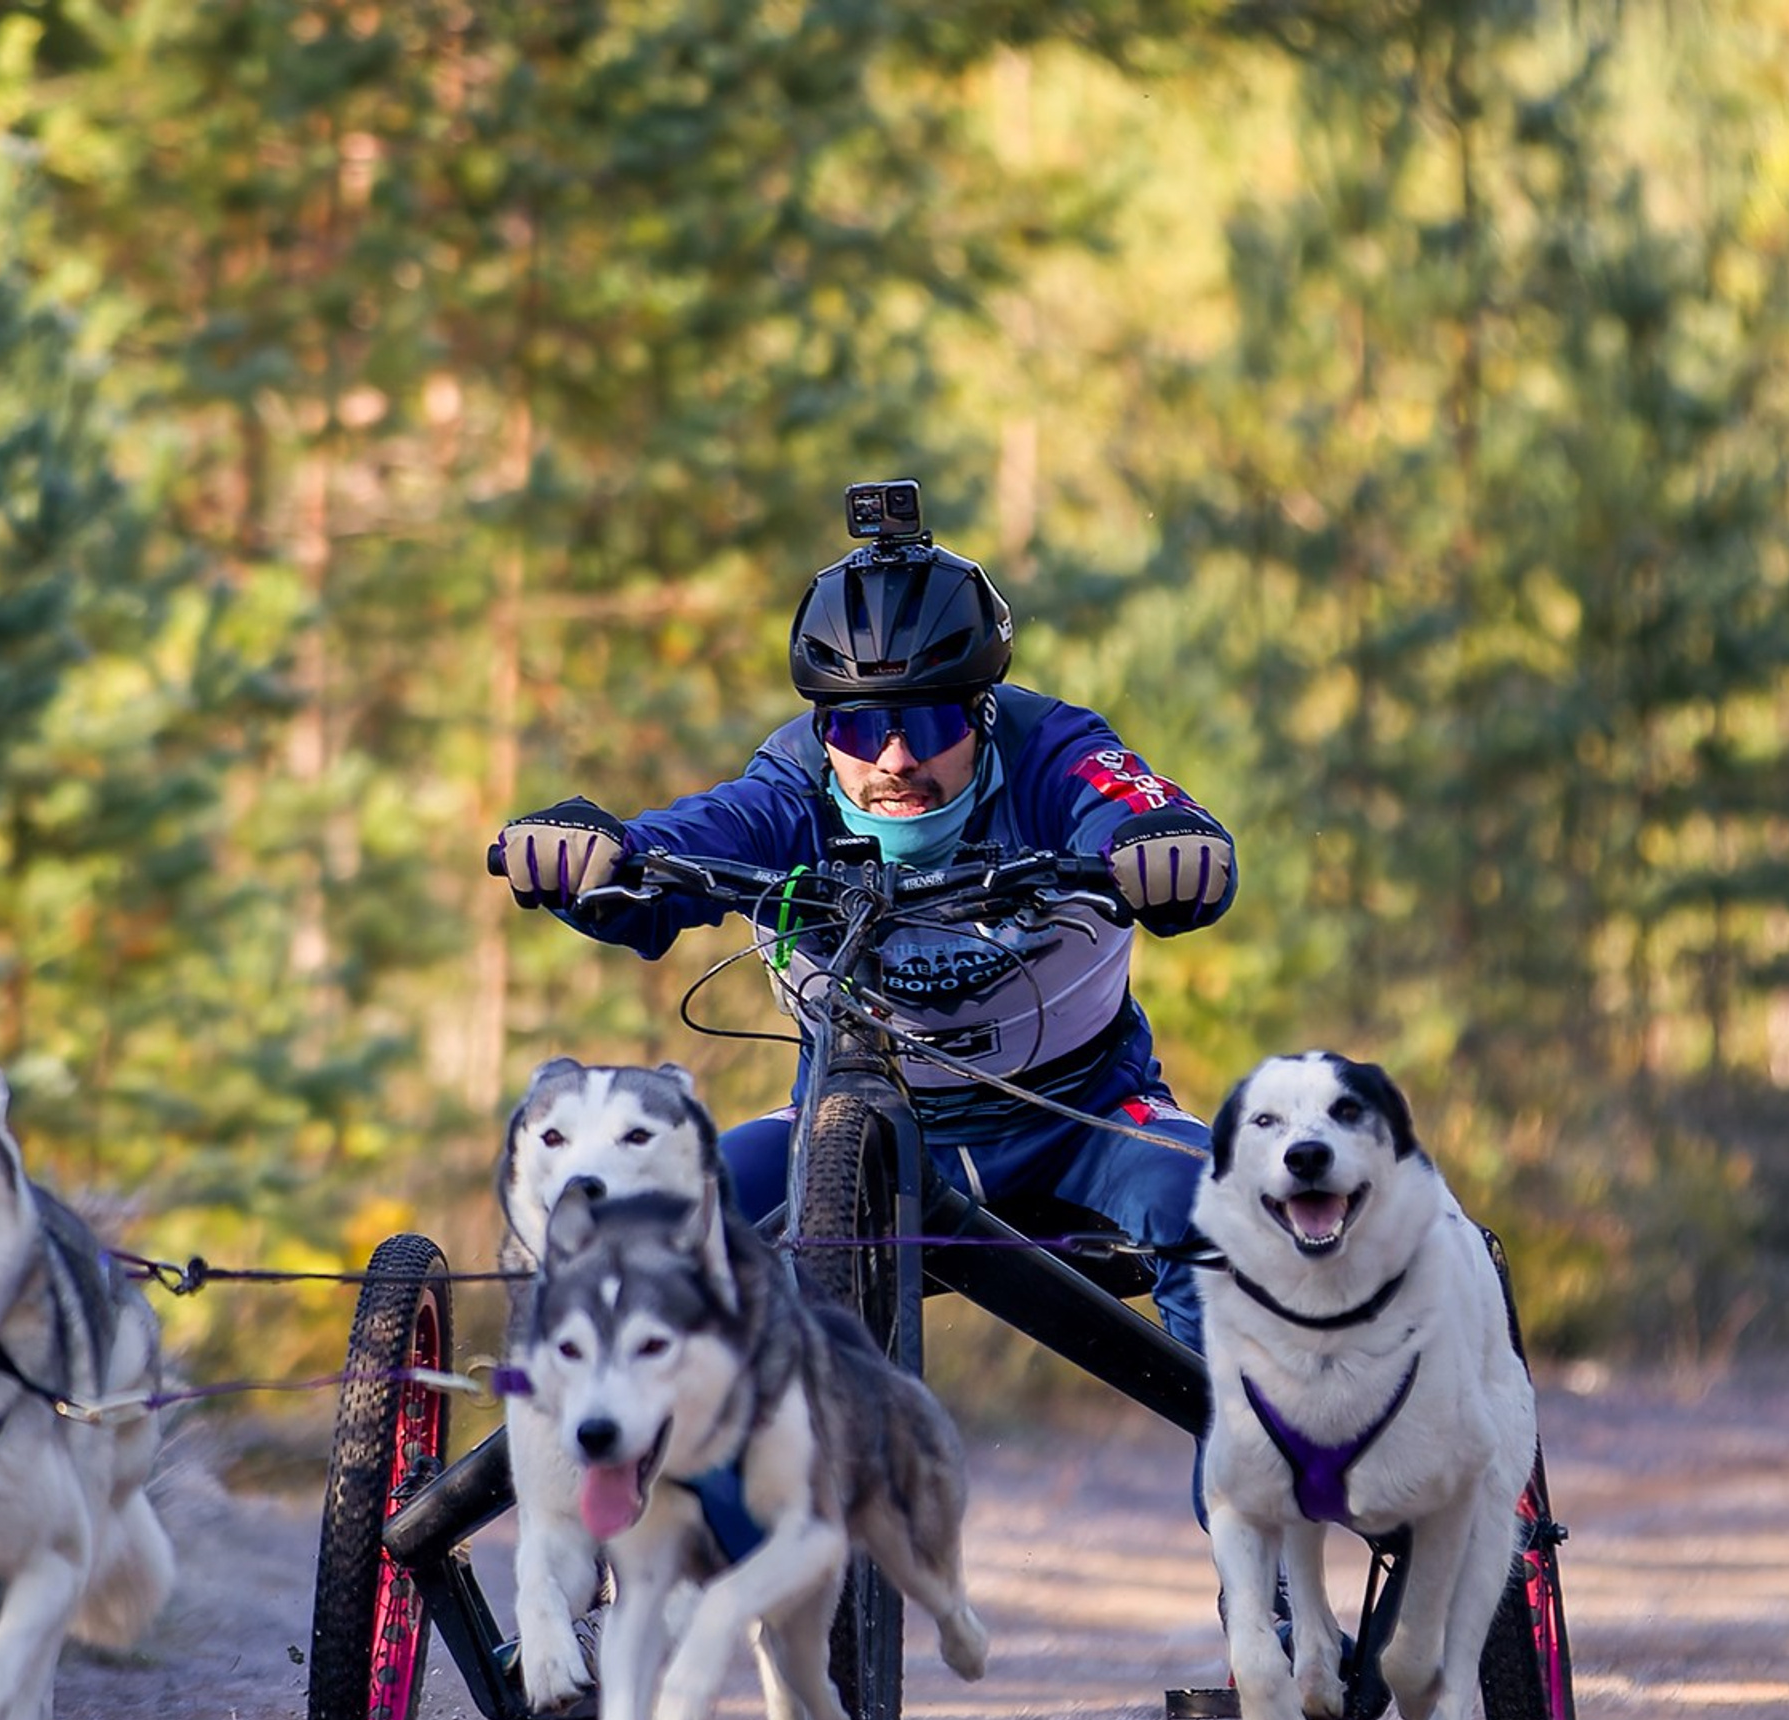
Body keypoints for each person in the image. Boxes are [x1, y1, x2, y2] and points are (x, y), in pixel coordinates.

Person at [487, 479, 1234, 1355]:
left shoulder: (1054, 750)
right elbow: (695, 836)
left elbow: (1138, 806)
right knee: (653, 1236)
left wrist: (1170, 845)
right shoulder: (791, 786)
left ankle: (1249, 1489)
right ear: (822, 724)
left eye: (926, 717)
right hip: (844, 1138)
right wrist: (597, 852)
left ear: (983, 708)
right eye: (858, 725)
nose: (895, 756)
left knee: (1216, 1210)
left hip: (1086, 1129)